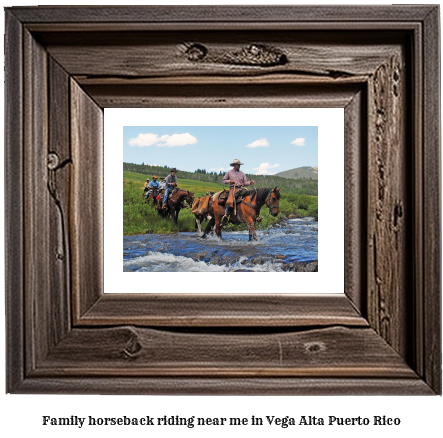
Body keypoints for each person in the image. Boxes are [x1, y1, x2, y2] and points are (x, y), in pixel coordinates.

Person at [221, 159, 255, 224]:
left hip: (242, 188)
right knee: (230, 200)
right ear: (234, 165)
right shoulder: (229, 172)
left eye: (239, 165)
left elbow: (245, 183)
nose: (239, 166)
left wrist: (250, 182)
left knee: (250, 196)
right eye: (238, 164)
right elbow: (224, 180)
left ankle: (252, 213)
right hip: (233, 189)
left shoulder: (242, 173)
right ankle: (227, 214)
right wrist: (230, 181)